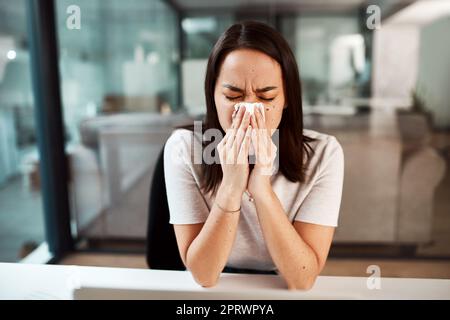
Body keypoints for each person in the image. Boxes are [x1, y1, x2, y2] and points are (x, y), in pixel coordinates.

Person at [164, 21, 344, 290]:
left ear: (286, 100)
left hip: (279, 279)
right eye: (232, 95)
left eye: (266, 96)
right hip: (218, 280)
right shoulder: (184, 148)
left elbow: (302, 278)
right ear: (212, 96)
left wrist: (260, 186)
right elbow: (204, 275)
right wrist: (232, 186)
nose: (248, 112)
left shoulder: (324, 154)